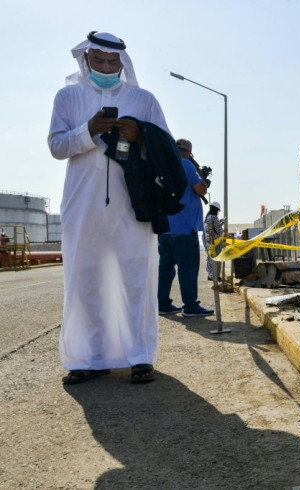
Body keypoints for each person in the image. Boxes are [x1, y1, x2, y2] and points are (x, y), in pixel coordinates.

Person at [48, 31, 167, 385]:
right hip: (82, 204)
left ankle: (140, 357)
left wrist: (140, 135)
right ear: (86, 60)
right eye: (98, 61)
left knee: (135, 278)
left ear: (122, 63)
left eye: (112, 62)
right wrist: (87, 131)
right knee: (85, 279)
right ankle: (88, 358)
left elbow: (164, 146)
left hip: (133, 203)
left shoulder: (142, 99)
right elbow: (56, 146)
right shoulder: (68, 97)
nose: (105, 67)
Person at [157, 139, 214, 317]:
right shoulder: (186, 164)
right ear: (187, 152)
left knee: (165, 268)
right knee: (187, 269)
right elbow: (201, 190)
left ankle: (162, 304)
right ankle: (190, 305)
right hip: (184, 227)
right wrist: (202, 177)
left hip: (165, 228)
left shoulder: (162, 164)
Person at [202, 201, 223, 281]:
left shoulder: (208, 217)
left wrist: (219, 223)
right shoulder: (214, 217)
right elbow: (219, 231)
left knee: (210, 257)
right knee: (216, 258)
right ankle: (215, 276)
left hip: (207, 241)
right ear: (216, 209)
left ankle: (211, 275)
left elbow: (212, 228)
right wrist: (222, 224)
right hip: (214, 242)